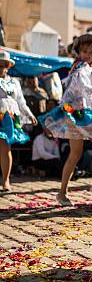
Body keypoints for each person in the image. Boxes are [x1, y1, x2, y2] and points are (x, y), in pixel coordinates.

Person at [39, 34, 92, 206]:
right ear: (79, 52)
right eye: (84, 51)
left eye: (91, 52)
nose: (87, 55)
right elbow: (84, 88)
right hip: (78, 113)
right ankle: (62, 192)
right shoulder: (78, 68)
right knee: (77, 153)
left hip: (90, 112)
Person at [0, 50, 37, 192]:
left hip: (8, 118)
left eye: (4, 65)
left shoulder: (14, 82)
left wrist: (29, 114)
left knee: (5, 148)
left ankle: (6, 180)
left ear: (8, 66)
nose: (1, 67)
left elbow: (21, 102)